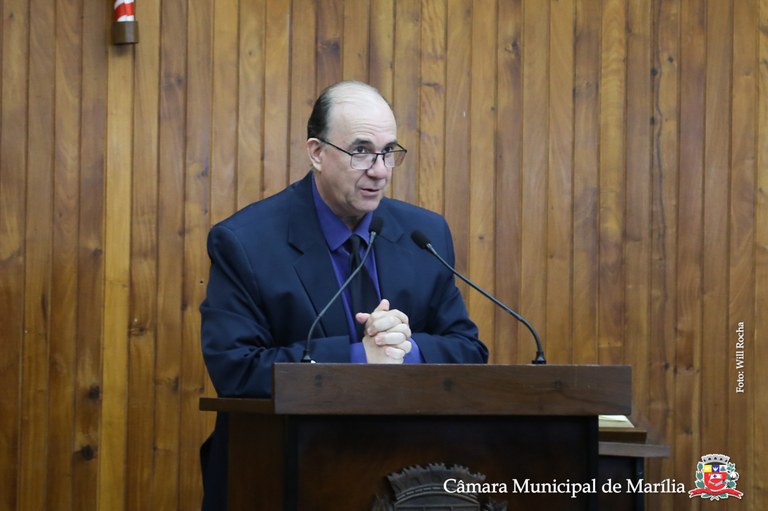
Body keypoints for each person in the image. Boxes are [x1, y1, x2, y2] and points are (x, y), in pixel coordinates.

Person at [199, 80, 488, 508]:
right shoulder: (246, 242)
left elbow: (468, 350)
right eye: (361, 151)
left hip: (407, 477)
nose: (380, 170)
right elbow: (236, 370)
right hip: (280, 473)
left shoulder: (424, 234)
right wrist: (358, 358)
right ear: (317, 153)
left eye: (389, 151)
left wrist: (404, 351)